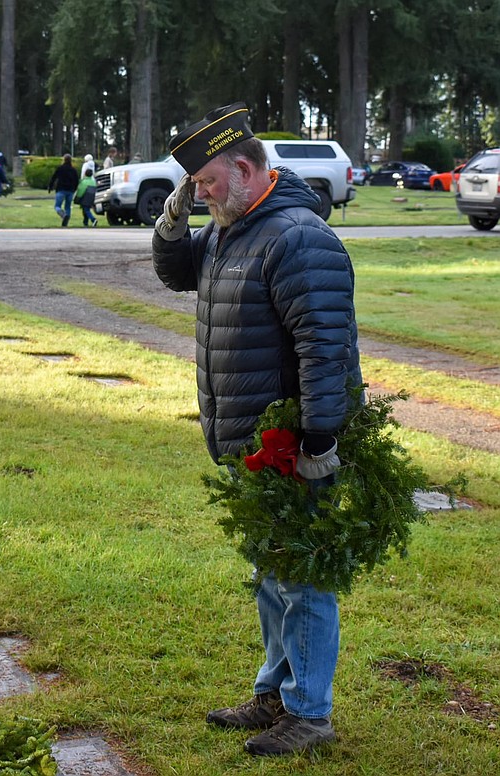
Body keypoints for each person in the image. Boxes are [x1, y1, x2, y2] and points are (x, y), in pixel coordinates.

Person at [152, 102, 362, 758]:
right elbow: (178, 273)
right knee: (271, 576)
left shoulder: (296, 236)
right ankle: (274, 692)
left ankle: (310, 714)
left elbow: (325, 346)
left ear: (244, 169)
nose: (202, 194)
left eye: (207, 183)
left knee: (301, 577)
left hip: (294, 448)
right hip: (250, 446)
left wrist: (320, 443)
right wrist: (172, 221)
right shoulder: (229, 226)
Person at [47, 153, 79, 227]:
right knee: (68, 206)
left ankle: (62, 214)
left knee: (57, 206)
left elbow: (54, 177)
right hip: (70, 190)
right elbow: (76, 181)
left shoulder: (60, 168)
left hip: (61, 189)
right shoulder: (73, 170)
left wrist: (50, 187)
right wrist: (74, 189)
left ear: (64, 160)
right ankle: (66, 221)